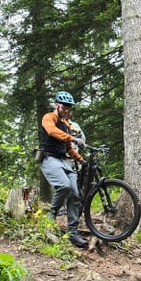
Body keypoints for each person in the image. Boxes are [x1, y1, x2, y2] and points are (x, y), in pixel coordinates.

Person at [39, 91, 88, 248]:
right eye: (64, 107)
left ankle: (73, 232)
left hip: (63, 160)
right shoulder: (49, 117)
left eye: (69, 108)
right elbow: (52, 132)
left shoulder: (67, 125)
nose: (66, 110)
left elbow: (69, 149)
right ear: (57, 105)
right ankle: (51, 215)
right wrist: (73, 138)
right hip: (49, 158)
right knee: (64, 186)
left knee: (75, 193)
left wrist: (82, 160)